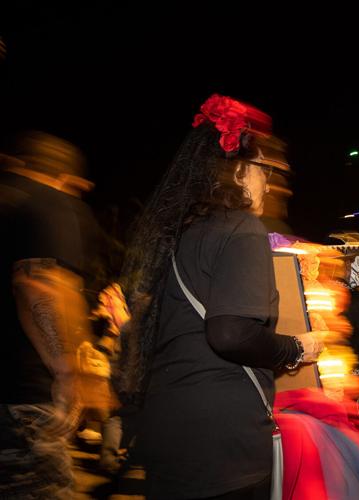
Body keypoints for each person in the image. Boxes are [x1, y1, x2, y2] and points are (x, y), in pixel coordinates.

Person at [115, 94, 323, 499]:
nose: (268, 183)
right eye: (264, 171)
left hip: (167, 429)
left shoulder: (181, 233)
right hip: (221, 444)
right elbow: (229, 333)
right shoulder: (242, 229)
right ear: (241, 171)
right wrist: (296, 348)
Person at [0, 131, 97, 498]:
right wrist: (67, 372)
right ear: (68, 178)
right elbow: (37, 285)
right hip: (22, 396)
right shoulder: (47, 201)